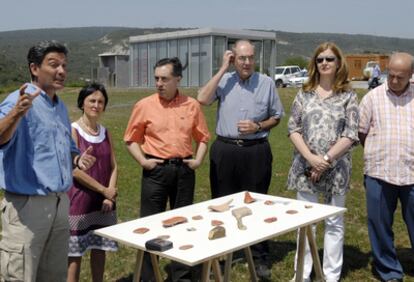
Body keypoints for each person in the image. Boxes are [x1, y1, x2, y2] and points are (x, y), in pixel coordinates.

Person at [0, 41, 96, 282]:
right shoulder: (18, 100)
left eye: (64, 65)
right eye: (54, 65)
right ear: (34, 68)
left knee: (53, 275)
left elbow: (68, 147)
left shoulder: (59, 107)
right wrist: (16, 114)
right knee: (21, 275)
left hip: (60, 205)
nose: (61, 71)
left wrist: (77, 159)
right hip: (28, 208)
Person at [197, 39, 284, 278]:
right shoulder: (224, 81)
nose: (247, 62)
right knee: (223, 204)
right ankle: (224, 255)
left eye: (250, 58)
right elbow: (202, 99)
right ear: (233, 58)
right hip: (225, 151)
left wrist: (258, 125)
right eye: (241, 58)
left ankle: (259, 257)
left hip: (256, 151)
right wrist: (223, 68)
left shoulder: (266, 83)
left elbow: (276, 116)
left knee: (255, 203)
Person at [124, 57, 210, 282]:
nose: (159, 83)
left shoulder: (191, 105)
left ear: (178, 79)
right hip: (156, 171)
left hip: (183, 170)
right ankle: (148, 276)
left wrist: (198, 161)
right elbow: (130, 139)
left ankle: (181, 275)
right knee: (150, 224)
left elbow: (203, 138)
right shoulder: (144, 105)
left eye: (164, 79)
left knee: (182, 223)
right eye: (156, 79)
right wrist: (143, 162)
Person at [287, 42, 359, 282]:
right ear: (315, 64)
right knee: (306, 223)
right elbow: (293, 128)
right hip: (305, 167)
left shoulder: (348, 95)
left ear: (339, 63)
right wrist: (310, 158)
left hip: (336, 169)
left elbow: (351, 133)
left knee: (334, 222)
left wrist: (326, 160)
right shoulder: (304, 93)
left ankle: (330, 275)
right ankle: (302, 274)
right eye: (320, 59)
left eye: (330, 59)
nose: (325, 63)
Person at [359, 52, 414, 282]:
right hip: (379, 173)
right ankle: (389, 270)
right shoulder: (372, 98)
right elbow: (362, 132)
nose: (393, 81)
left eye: (399, 77)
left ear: (411, 76)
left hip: (411, 173)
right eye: (390, 75)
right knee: (380, 225)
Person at [67, 83, 118, 282]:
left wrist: (110, 194)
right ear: (82, 103)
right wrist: (104, 190)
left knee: (100, 248)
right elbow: (75, 171)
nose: (96, 105)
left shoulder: (105, 132)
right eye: (92, 101)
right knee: (74, 254)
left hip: (104, 202)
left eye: (101, 102)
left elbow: (114, 166)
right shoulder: (73, 130)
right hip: (79, 202)